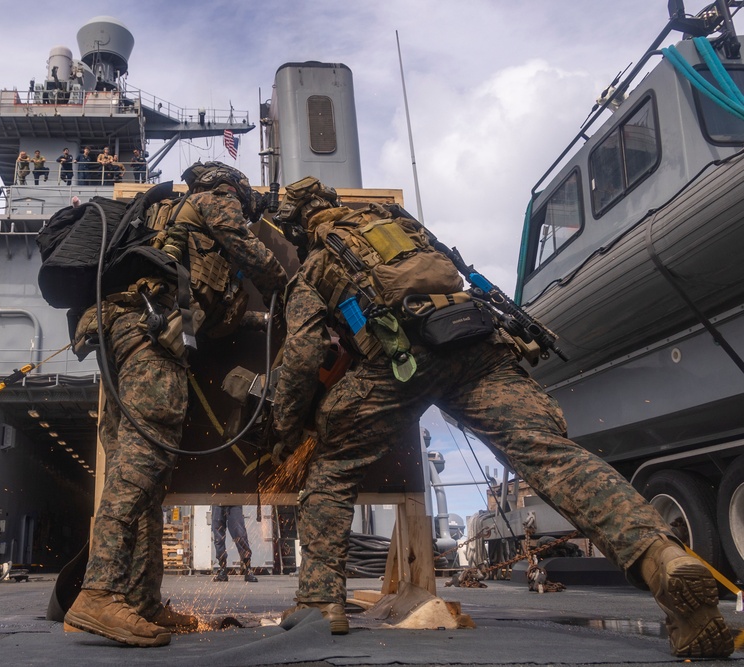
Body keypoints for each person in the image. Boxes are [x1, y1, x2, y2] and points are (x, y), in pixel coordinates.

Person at [269, 178, 733, 658]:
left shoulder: (317, 264)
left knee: (332, 469)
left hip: (401, 358)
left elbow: (303, 357)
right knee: (550, 456)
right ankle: (663, 557)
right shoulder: (403, 229)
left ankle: (321, 603)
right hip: (475, 340)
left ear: (300, 227)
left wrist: (285, 429)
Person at [64, 162, 287, 647]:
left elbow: (217, 320)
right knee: (139, 469)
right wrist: (295, 294)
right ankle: (99, 593)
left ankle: (141, 602)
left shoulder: (175, 219)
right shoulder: (216, 198)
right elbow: (262, 262)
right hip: (148, 336)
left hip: (120, 331)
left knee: (144, 474)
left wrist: (257, 320)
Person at [211, 505, 258, 582]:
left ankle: (248, 568)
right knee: (218, 537)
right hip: (217, 499)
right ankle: (222, 568)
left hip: (234, 500)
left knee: (239, 534)